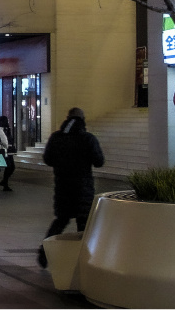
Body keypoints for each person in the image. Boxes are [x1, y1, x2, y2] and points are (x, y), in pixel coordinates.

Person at [38, 107, 105, 268]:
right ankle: (84, 260)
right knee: (84, 225)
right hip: (84, 189)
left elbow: (47, 159)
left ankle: (44, 253)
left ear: (67, 118)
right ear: (83, 120)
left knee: (60, 221)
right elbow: (99, 161)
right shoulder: (88, 138)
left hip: (62, 187)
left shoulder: (56, 138)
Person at [0, 115, 17, 191]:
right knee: (3, 167)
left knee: (10, 167)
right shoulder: (0, 130)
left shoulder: (7, 129)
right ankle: (4, 183)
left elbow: (10, 139)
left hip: (9, 151)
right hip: (3, 150)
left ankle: (5, 182)